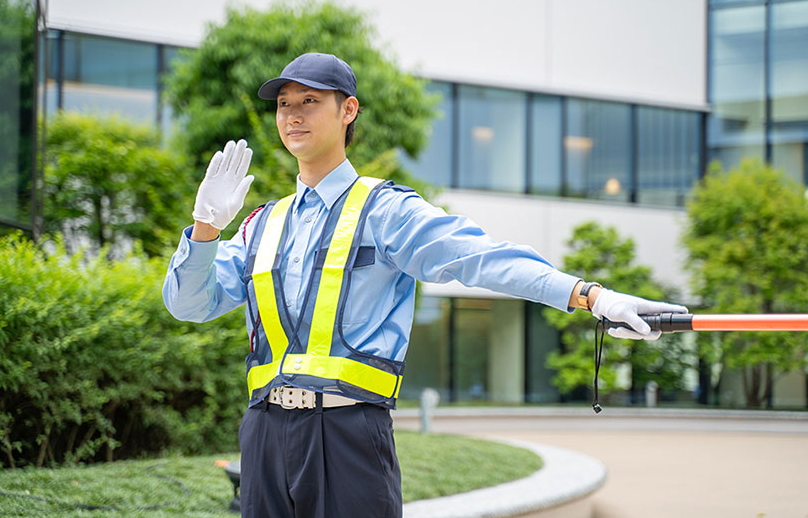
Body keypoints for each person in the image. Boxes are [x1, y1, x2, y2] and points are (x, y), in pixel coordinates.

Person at [162, 52, 687, 518]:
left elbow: (478, 257)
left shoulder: (384, 209)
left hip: (348, 432)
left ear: (348, 111)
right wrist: (207, 226)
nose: (293, 114)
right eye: (283, 104)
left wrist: (592, 296)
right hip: (263, 434)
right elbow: (188, 304)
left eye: (310, 100)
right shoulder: (262, 224)